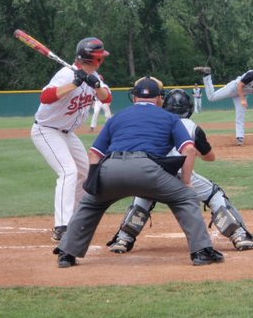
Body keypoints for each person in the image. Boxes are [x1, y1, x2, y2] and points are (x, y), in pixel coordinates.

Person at [53, 77, 225, 268]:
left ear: (134, 98)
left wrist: (94, 183)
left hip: (110, 168)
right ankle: (201, 252)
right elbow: (189, 151)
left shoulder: (117, 117)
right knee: (185, 198)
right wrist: (186, 183)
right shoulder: (170, 118)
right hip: (147, 170)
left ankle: (66, 254)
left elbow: (94, 155)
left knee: (90, 204)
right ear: (160, 99)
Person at [107, 89, 253, 254]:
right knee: (215, 194)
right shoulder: (192, 127)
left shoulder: (155, 123)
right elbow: (210, 157)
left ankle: (123, 239)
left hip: (153, 172)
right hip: (181, 175)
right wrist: (195, 152)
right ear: (188, 108)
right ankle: (239, 236)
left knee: (143, 196)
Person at [31, 37, 112, 242]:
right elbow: (46, 97)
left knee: (86, 172)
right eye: (99, 56)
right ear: (92, 58)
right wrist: (75, 83)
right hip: (47, 130)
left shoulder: (94, 76)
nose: (101, 59)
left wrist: (94, 84)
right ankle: (62, 226)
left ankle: (75, 217)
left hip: (68, 133)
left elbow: (106, 98)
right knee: (68, 171)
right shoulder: (66, 74)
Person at [194, 60, 253, 145]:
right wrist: (242, 99)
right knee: (211, 97)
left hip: (242, 94)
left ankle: (240, 138)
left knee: (241, 114)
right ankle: (207, 74)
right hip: (234, 88)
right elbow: (240, 85)